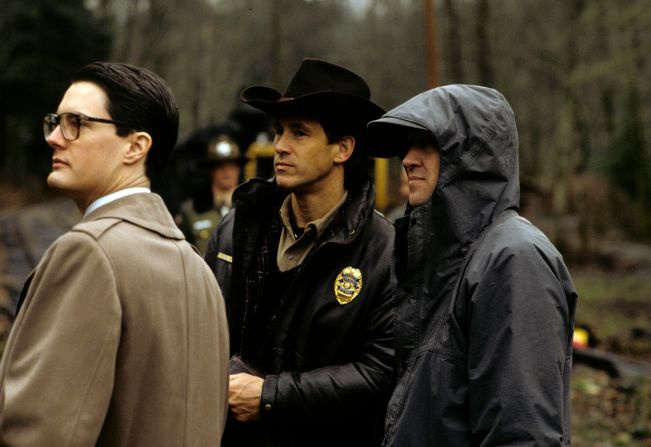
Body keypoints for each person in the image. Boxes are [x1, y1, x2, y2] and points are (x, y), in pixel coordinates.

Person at [0, 62, 229, 446]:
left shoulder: (89, 252)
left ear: (136, 147)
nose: (55, 137)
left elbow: (40, 435)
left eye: (77, 123)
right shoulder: (198, 270)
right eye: (55, 122)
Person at [366, 84, 578, 446]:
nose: (408, 159)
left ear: (471, 156)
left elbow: (522, 433)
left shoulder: (513, 260)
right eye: (406, 146)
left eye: (428, 145)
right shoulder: (441, 260)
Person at [204, 58, 395, 446]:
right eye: (279, 131)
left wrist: (270, 396)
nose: (279, 147)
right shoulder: (237, 226)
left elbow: (381, 370)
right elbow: (199, 327)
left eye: (300, 133)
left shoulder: (381, 249)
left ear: (342, 148)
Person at [177, 131, 244, 253]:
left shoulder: (251, 208)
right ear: (211, 170)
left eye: (231, 165)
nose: (226, 171)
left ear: (239, 169)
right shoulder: (191, 210)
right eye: (220, 166)